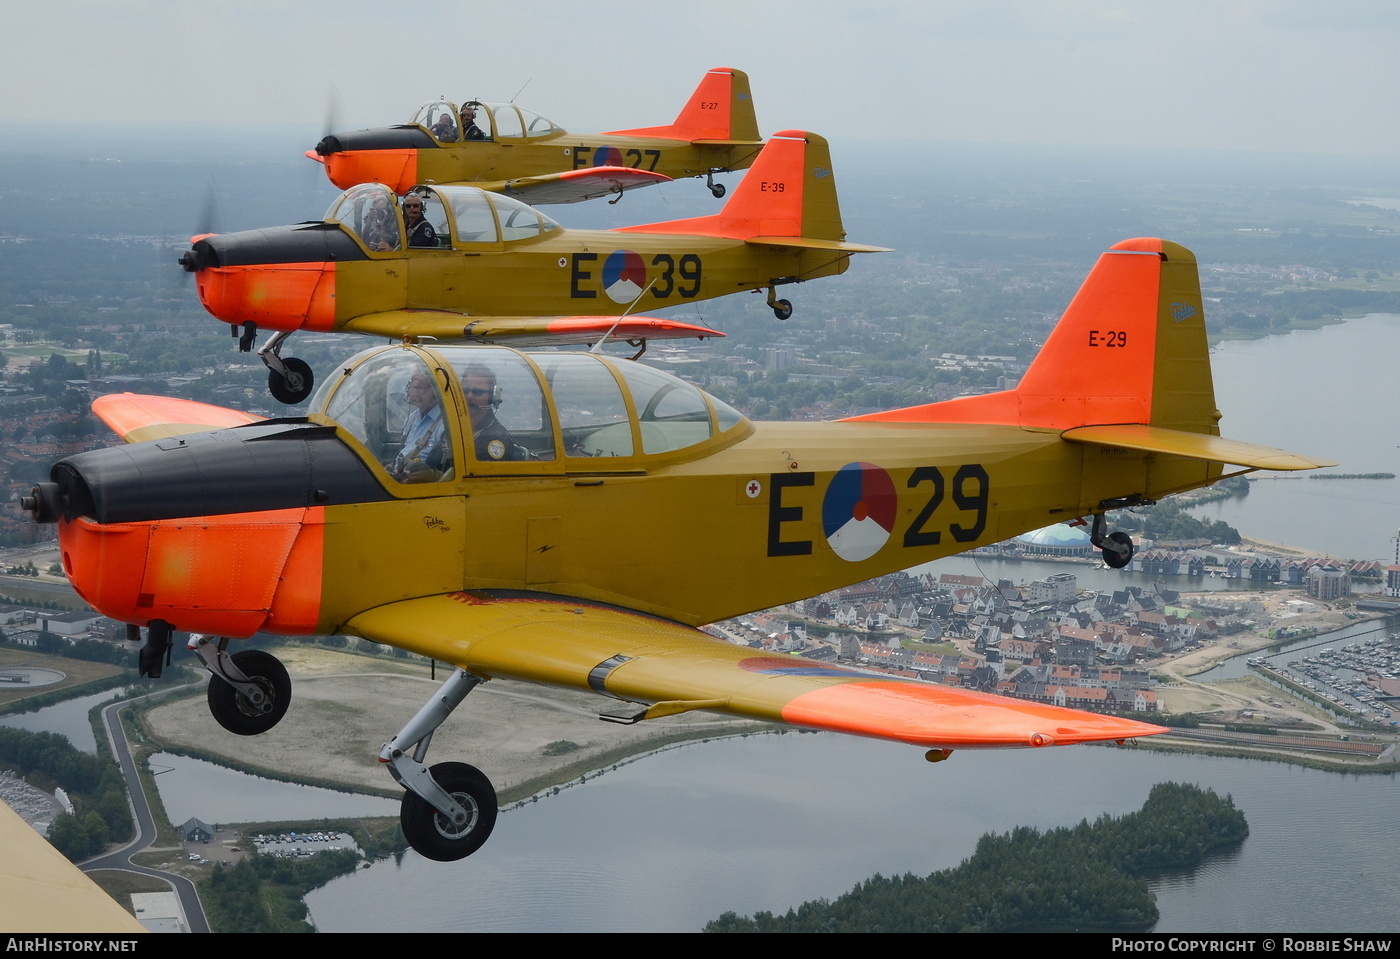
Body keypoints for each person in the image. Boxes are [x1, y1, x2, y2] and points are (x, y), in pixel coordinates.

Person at [392, 369, 451, 481]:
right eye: (414, 387)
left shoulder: (446, 423)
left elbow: (447, 467)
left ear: (436, 391)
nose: (415, 394)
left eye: (422, 388)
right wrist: (392, 466)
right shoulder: (412, 418)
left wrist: (432, 475)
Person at [461, 363, 518, 461]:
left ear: (491, 397)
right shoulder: (456, 428)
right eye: (465, 390)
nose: (469, 396)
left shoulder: (495, 439)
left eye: (477, 392)